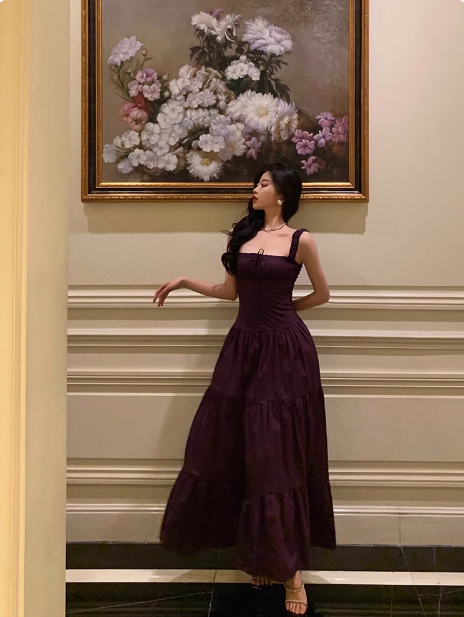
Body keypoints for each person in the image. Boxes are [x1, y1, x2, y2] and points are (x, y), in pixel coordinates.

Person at [153, 162, 336, 615]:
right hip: (242, 351)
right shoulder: (242, 236)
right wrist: (183, 281)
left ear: (283, 193)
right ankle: (261, 555)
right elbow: (228, 293)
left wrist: (283, 314)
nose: (255, 189)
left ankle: (291, 573)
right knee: (241, 451)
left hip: (286, 355)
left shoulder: (301, 240)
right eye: (257, 183)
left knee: (277, 457)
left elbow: (323, 294)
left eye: (264, 183)